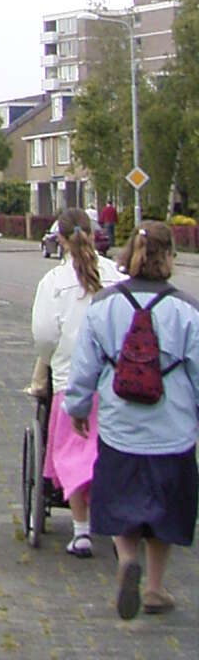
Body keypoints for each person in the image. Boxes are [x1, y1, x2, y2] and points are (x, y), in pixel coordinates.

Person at [64, 222, 199, 617]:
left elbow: (84, 366)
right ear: (169, 257)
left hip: (121, 429)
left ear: (127, 256)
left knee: (122, 500)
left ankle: (126, 561)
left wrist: (77, 407)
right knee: (166, 508)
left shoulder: (103, 306)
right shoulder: (187, 310)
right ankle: (155, 588)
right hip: (172, 431)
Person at [29, 210, 122, 556]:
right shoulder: (116, 275)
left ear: (62, 240)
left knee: (75, 452)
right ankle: (115, 528)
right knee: (109, 452)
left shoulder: (54, 281)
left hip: (71, 379)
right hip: (114, 383)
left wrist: (53, 358)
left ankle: (81, 531)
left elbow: (44, 336)